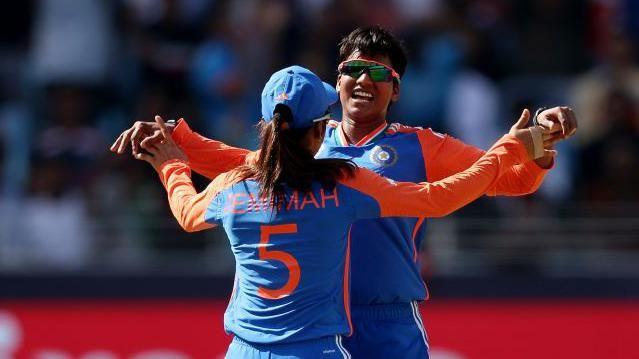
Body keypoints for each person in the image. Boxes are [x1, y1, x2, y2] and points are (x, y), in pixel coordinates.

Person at [112, 26, 576, 358]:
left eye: (379, 75)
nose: (364, 80)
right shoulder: (309, 141)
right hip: (312, 327)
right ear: (336, 83)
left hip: (383, 319)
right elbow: (237, 163)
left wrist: (539, 145)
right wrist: (176, 137)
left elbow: (512, 181)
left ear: (395, 91)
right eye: (354, 69)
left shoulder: (421, 145)